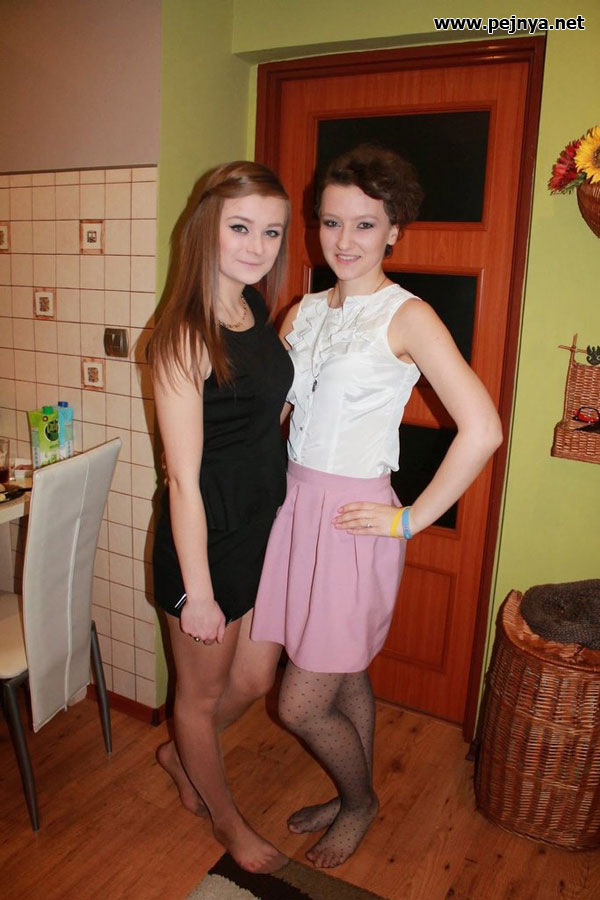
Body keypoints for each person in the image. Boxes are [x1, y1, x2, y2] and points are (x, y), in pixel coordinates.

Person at [250, 145, 503, 869]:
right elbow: (276, 412)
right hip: (297, 509)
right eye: (332, 221)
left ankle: (359, 801)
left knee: (300, 703)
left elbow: (483, 429)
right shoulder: (301, 312)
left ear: (394, 230)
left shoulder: (408, 315)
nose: (344, 240)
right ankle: (350, 790)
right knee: (346, 665)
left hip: (354, 519)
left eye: (365, 224)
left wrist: (409, 519)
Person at [148, 161, 293, 874]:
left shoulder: (253, 309)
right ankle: (228, 823)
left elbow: (264, 410)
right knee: (199, 697)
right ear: (207, 226)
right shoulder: (183, 336)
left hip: (262, 525)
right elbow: (181, 479)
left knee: (257, 680)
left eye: (272, 231)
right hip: (206, 538)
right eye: (240, 227)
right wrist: (198, 594)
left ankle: (182, 754)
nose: (257, 246)